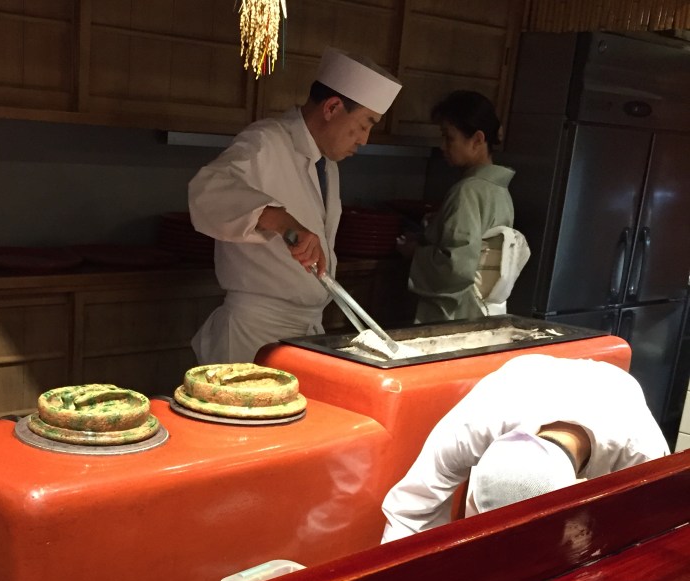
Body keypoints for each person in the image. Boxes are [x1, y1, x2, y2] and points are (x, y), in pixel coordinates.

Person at [188, 48, 401, 364]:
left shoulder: (327, 165)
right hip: (254, 333)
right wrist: (280, 220)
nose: (364, 139)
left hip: (305, 330)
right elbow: (207, 191)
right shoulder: (266, 140)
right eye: (365, 124)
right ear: (332, 107)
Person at [381, 354, 670, 542]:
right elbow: (413, 507)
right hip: (526, 375)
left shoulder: (642, 452)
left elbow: (647, 534)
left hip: (610, 387)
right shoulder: (475, 423)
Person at [397, 90, 527, 324]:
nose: (443, 146)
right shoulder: (499, 190)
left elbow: (455, 267)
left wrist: (415, 252)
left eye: (449, 137)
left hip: (454, 312)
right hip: (482, 310)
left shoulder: (467, 190)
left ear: (477, 139)